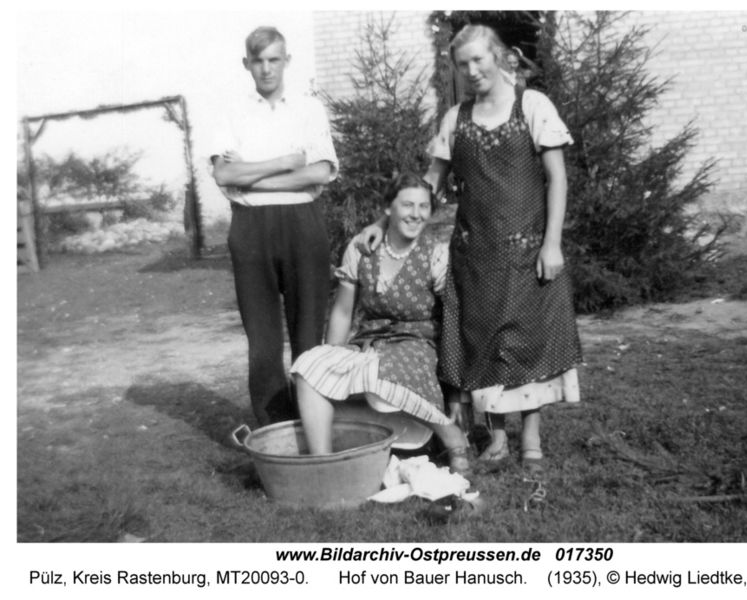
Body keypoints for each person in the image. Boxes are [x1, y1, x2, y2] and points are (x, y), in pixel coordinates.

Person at [359, 25, 582, 475]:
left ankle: (531, 438)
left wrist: (552, 243)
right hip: (475, 253)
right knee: (485, 342)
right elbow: (430, 184)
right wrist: (383, 222)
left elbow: (556, 177)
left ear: (498, 57)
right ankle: (497, 437)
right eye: (463, 64)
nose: (472, 70)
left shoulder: (532, 106)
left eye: (479, 59)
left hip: (527, 249)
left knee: (529, 340)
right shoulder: (455, 119)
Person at [290, 173, 470, 475]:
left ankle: (449, 433)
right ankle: (323, 463)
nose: (416, 214)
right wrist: (333, 358)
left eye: (423, 207)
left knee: (379, 371)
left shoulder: (435, 254)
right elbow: (343, 312)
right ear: (389, 208)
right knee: (307, 366)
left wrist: (455, 390)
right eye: (407, 205)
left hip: (419, 344)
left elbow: (453, 320)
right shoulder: (362, 248)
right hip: (369, 342)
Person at [211, 26, 339, 426]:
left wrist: (251, 176)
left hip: (302, 222)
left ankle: (311, 421)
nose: (266, 69)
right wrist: (284, 163)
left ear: (287, 61)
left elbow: (320, 171)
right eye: (258, 61)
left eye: (274, 60)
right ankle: (274, 428)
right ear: (246, 63)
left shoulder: (309, 109)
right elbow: (223, 174)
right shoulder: (232, 111)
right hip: (250, 227)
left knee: (308, 333)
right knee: (263, 339)